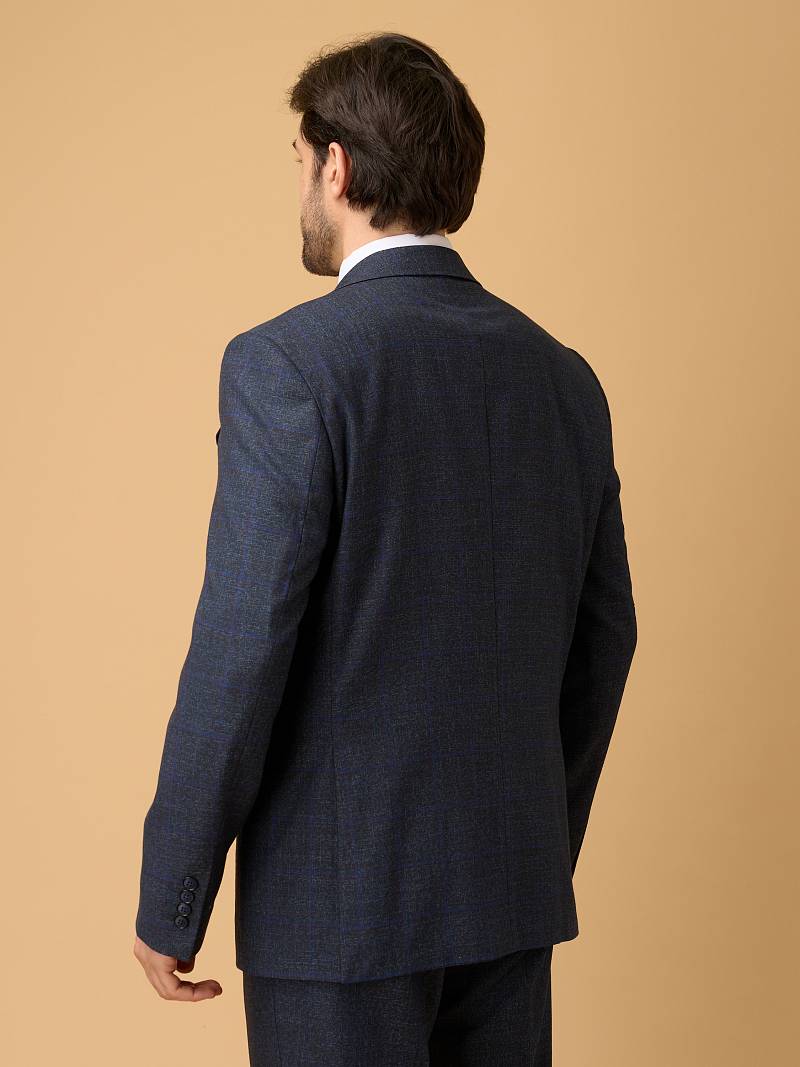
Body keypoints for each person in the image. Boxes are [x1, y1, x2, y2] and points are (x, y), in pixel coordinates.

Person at [133, 31, 637, 1066]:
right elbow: (605, 639)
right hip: (507, 896)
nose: (301, 191)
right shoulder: (563, 379)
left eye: (300, 163)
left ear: (338, 165)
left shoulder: (288, 365)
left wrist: (172, 893)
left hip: (338, 916)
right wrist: (531, 840)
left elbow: (241, 648)